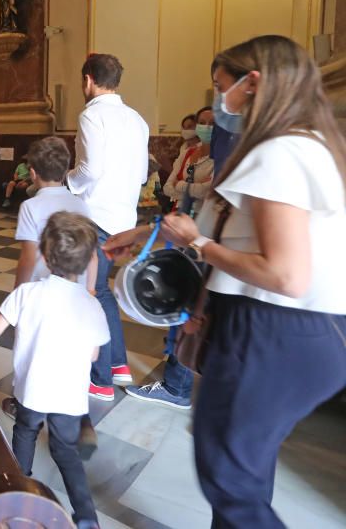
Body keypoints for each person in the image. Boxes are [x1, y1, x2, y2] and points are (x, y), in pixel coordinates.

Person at [104, 35, 346, 528]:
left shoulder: (282, 151)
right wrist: (151, 231)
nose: (219, 103)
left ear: (251, 83)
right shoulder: (294, 145)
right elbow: (232, 225)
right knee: (242, 473)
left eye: (221, 88)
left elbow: (285, 274)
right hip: (274, 328)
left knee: (230, 478)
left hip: (274, 330)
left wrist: (198, 246)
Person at [0, 212, 108, 529]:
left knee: (26, 431)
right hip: (70, 396)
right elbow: (96, 352)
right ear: (86, 263)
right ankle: (86, 517)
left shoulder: (27, 293)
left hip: (32, 390)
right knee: (66, 452)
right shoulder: (91, 305)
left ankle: (18, 490)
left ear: (44, 256)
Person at [66, 53, 149, 401]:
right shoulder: (137, 119)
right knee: (102, 292)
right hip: (124, 219)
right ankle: (118, 364)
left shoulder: (92, 115)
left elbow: (90, 170)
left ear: (88, 80)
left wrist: (68, 182)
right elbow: (143, 174)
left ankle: (99, 380)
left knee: (89, 294)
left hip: (95, 217)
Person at [0, 137, 97, 419]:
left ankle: (23, 401)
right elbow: (92, 254)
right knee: (62, 342)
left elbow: (28, 256)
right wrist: (88, 289)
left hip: (40, 289)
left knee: (29, 344)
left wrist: (19, 292)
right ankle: (61, 398)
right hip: (73, 289)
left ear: (32, 172)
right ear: (67, 170)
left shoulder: (31, 206)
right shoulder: (80, 204)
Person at [163, 106, 215, 216]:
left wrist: (180, 185)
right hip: (181, 213)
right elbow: (167, 188)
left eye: (212, 123)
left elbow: (208, 192)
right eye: (202, 122)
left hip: (205, 216)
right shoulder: (187, 152)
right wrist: (196, 190)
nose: (206, 127)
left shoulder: (222, 157)